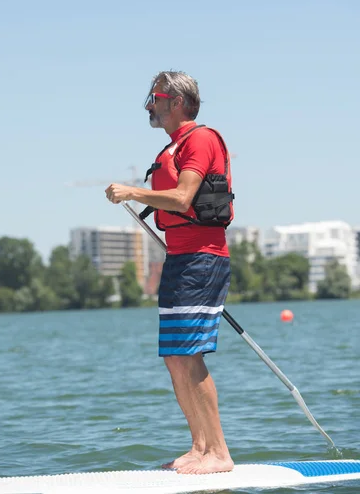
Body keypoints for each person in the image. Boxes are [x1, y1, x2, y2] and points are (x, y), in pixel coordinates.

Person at [105, 71, 234, 475]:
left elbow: (182, 198)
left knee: (189, 354)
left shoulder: (200, 139)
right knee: (174, 357)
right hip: (179, 259)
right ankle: (199, 447)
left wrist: (132, 192)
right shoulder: (174, 145)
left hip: (202, 258)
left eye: (156, 97)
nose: (150, 105)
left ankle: (219, 452)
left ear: (177, 102)